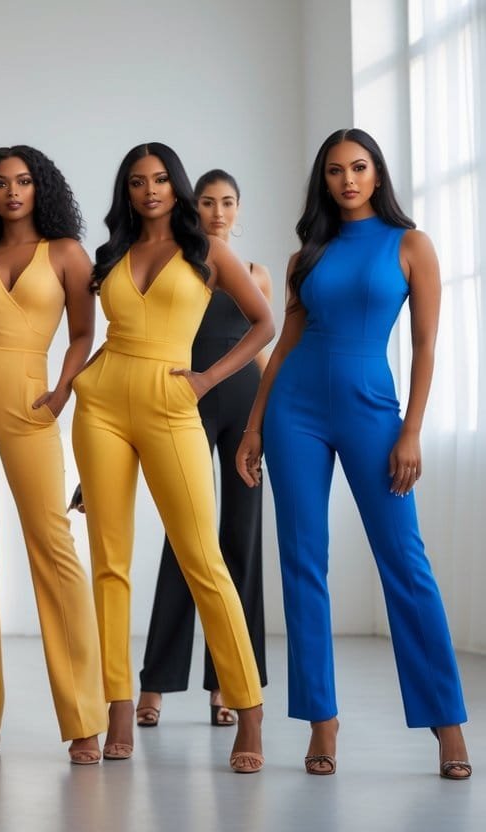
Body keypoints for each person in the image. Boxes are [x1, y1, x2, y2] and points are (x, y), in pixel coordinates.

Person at [236, 128, 471, 779]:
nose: (347, 179)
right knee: (302, 564)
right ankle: (321, 722)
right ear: (324, 179)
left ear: (376, 173)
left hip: (373, 412)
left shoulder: (410, 245)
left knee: (405, 562)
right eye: (335, 170)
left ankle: (446, 727)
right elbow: (283, 346)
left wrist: (412, 431)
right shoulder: (304, 257)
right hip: (294, 414)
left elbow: (424, 346)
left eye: (358, 167)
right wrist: (254, 425)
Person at [72, 142, 272, 773]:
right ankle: (118, 705)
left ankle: (248, 708)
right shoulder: (110, 256)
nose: (150, 190)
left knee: (202, 558)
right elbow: (97, 337)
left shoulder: (208, 252)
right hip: (100, 404)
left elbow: (265, 323)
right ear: (126, 192)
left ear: (176, 187)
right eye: (137, 181)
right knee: (109, 563)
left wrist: (208, 381)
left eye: (160, 179)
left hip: (171, 401)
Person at [0, 145, 105, 764]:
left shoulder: (65, 254)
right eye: (0, 183)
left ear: (41, 188)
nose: (12, 192)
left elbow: (86, 331)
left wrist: (65, 387)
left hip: (33, 407)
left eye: (23, 181)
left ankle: (84, 717)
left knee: (54, 550)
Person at [135, 169, 272, 729]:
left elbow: (263, 348)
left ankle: (227, 687)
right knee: (185, 542)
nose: (218, 212)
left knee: (241, 541)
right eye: (208, 202)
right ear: (194, 206)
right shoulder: (184, 264)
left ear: (240, 208)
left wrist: (265, 424)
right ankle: (156, 684)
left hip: (240, 406)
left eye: (228, 203)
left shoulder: (256, 273)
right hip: (186, 399)